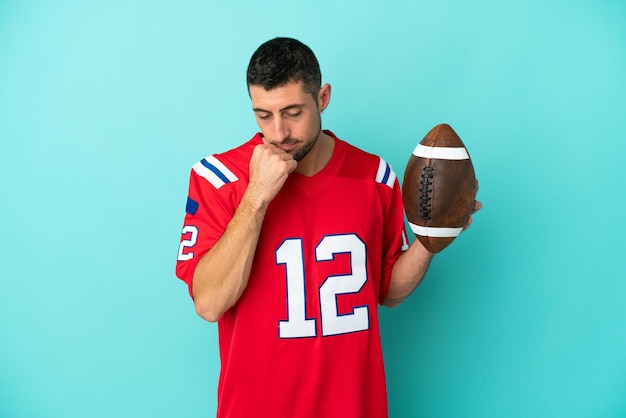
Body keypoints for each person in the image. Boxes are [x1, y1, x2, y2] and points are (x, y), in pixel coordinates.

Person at [175, 37, 480, 418]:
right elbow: (209, 303)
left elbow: (387, 291)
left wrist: (431, 239)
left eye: (292, 112)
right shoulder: (218, 178)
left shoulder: (374, 177)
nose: (279, 132)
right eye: (263, 115)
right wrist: (257, 196)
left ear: (322, 98)